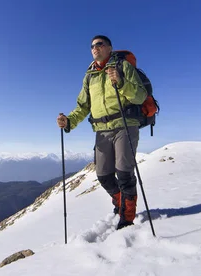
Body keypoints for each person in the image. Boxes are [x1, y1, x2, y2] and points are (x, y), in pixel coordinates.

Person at [57, 35, 147, 229]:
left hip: (125, 124)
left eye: (99, 44)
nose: (95, 48)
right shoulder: (90, 76)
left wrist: (121, 82)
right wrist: (69, 121)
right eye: (92, 46)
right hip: (101, 130)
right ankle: (120, 201)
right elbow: (83, 106)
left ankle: (127, 217)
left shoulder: (123, 67)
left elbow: (140, 96)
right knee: (103, 175)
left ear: (109, 48)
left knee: (124, 172)